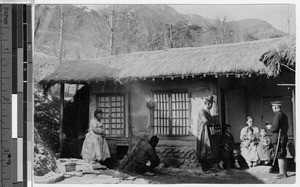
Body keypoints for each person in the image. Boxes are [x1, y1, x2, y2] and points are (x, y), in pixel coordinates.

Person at [197, 95, 221, 173]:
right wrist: (212, 119)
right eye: (211, 104)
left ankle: (209, 167)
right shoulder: (202, 111)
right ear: (207, 103)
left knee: (209, 149)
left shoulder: (208, 112)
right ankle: (204, 168)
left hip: (209, 132)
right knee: (204, 149)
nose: (211, 106)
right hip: (204, 133)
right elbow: (206, 121)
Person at [266, 101, 289, 179]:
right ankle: (285, 173)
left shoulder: (277, 115)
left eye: (272, 107)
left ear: (275, 107)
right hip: (283, 137)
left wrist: (269, 127)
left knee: (280, 155)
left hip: (279, 139)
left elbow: (274, 128)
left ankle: (282, 173)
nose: (272, 108)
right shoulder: (284, 115)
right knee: (283, 155)